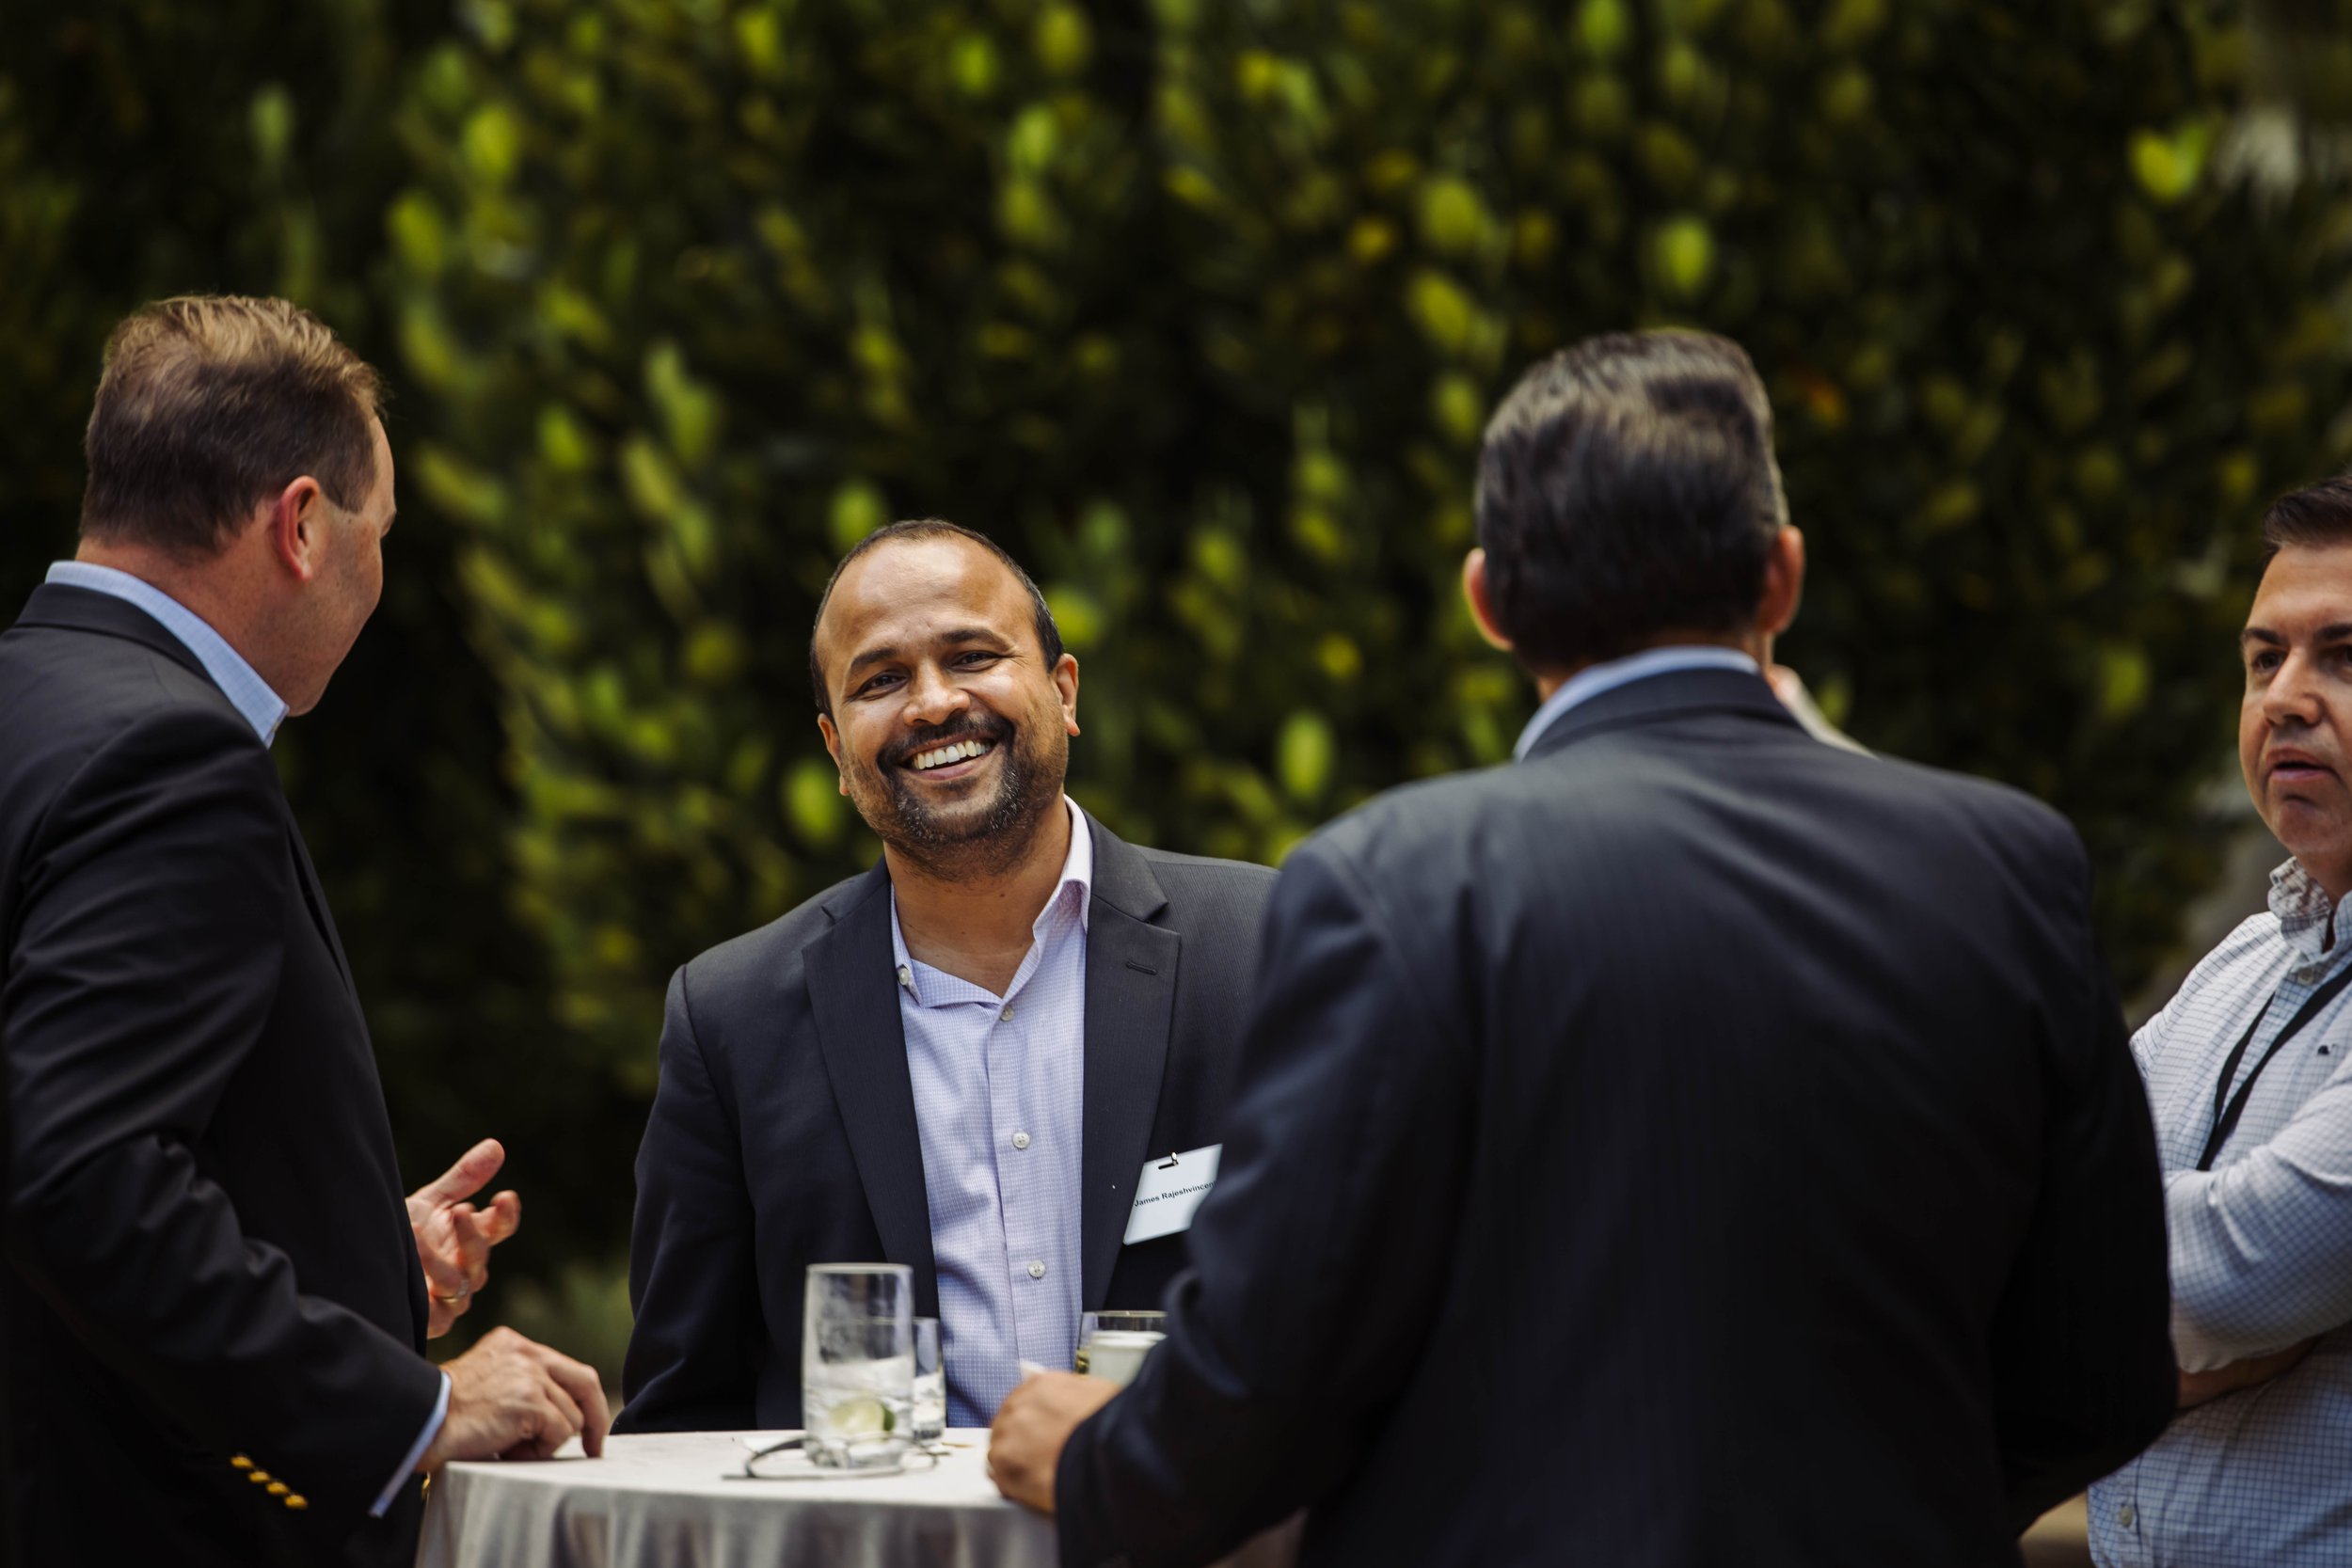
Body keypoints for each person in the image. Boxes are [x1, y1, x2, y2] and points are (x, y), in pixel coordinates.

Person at [988, 331, 2178, 1567]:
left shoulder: (1395, 880)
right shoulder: (2006, 862)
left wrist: (1096, 1458)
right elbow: (2105, 1377)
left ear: (1487, 598)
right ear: (1781, 576)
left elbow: (1272, 1374)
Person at [0, 296, 609, 1568]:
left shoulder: (35, 705)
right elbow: (78, 1175)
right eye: (380, 532)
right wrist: (413, 1400)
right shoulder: (168, 756)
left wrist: (352, 1256)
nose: (375, 570)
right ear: (300, 524)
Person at [618, 520, 1277, 1434]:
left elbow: (1375, 1299)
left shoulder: (1264, 948)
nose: (931, 703)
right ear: (835, 751)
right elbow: (684, 1412)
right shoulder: (730, 1019)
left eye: (972, 654)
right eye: (880, 679)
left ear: (1064, 689)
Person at [2088, 477, 2352, 1567]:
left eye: (2342, 654)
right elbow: (2023, 1181)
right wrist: (2191, 1354)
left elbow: (2230, 1267)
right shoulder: (2244, 958)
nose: (2283, 696)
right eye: (2261, 658)